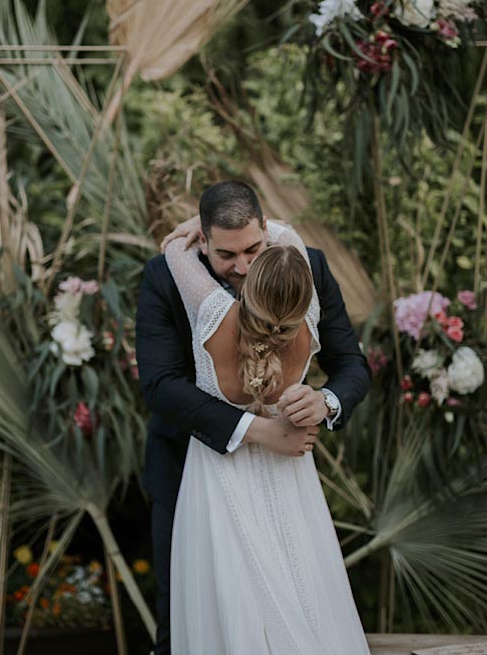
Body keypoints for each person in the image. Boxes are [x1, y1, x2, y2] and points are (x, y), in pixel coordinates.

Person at [136, 180, 370, 655]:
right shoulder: (165, 277)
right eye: (226, 255)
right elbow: (161, 384)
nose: (242, 267)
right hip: (186, 468)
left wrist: (325, 402)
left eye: (253, 249)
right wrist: (260, 430)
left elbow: (351, 364)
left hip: (286, 479)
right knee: (185, 622)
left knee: (301, 605)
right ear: (202, 239)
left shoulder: (307, 267)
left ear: (267, 229)